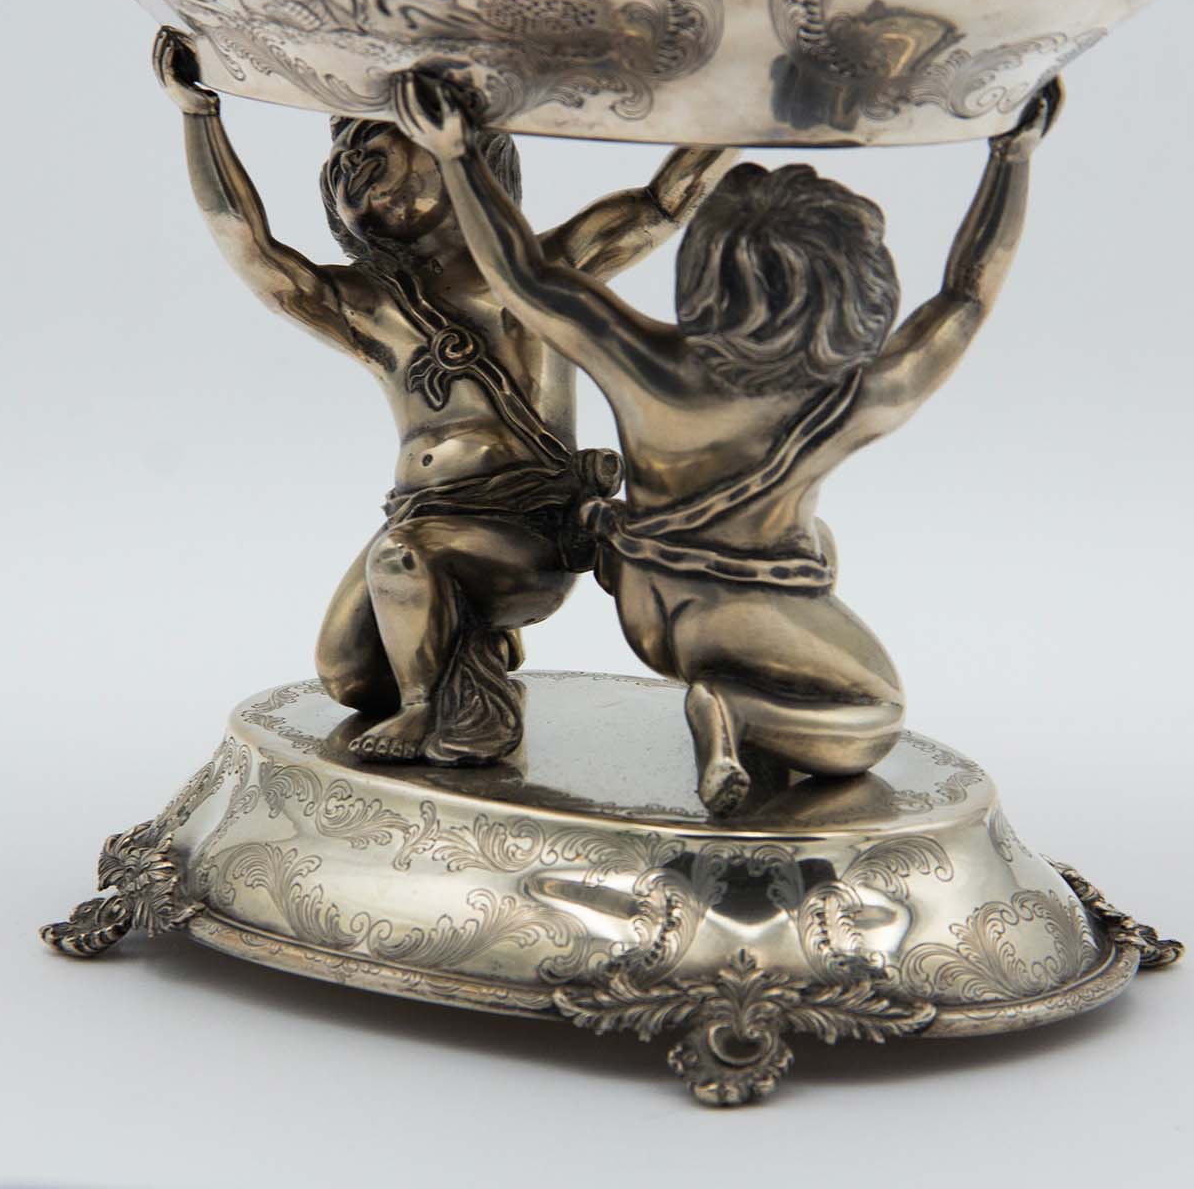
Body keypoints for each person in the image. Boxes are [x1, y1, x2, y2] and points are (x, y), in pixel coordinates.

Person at [393, 70, 1058, 810]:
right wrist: (1011, 160)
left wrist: (457, 155)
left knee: (820, 544)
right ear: (852, 289)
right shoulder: (848, 401)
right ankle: (731, 712)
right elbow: (965, 296)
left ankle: (746, 712)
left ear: (705, 267)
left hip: (647, 605)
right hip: (735, 616)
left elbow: (522, 277)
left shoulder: (645, 364)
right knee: (873, 719)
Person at [151, 28, 740, 763]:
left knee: (403, 560)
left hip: (527, 529)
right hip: (421, 519)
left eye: (376, 139)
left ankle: (427, 707)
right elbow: (251, 249)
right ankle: (469, 655)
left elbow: (661, 205)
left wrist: (738, 104)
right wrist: (199, 116)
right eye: (338, 157)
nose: (350, 161)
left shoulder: (543, 274)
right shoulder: (369, 305)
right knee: (349, 675)